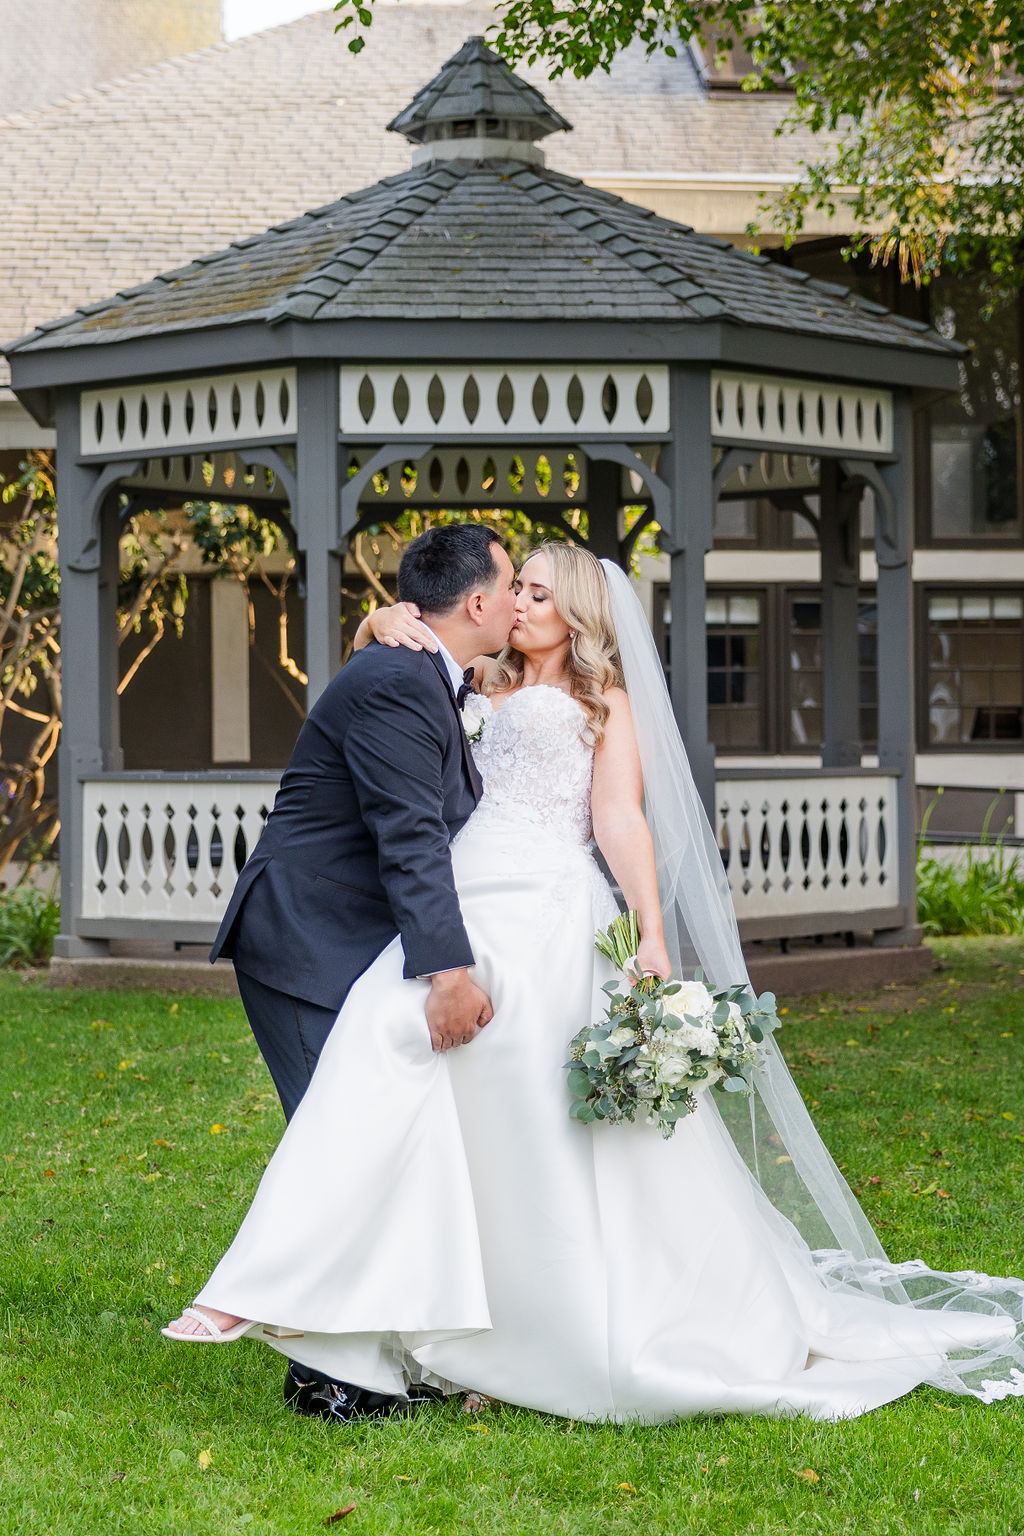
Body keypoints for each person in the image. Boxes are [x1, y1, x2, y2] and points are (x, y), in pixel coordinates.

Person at [166, 542, 1024, 1421]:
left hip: (542, 909)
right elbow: (407, 687)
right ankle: (343, 1313)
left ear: (575, 610)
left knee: (527, 1113)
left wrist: (651, 931)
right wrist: (384, 617)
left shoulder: (599, 698)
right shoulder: (473, 679)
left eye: (541, 593)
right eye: (517, 590)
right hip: (458, 907)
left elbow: (617, 818)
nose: (524, 604)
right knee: (409, 1076)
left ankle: (510, 1321)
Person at [197, 522, 517, 1420]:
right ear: (480, 602)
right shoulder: (397, 683)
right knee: (340, 1154)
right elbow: (407, 831)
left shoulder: (425, 673)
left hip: (350, 943)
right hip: (307, 940)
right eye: (512, 583)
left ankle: (355, 1357)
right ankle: (329, 1379)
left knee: (370, 1149)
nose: (520, 597)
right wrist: (448, 970)